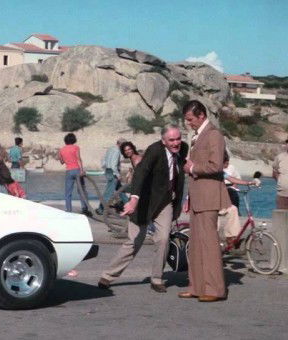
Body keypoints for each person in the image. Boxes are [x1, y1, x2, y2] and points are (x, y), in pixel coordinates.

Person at [98, 125, 187, 293]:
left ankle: (157, 278)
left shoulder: (184, 148)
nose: (176, 143)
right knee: (133, 242)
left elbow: (181, 172)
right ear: (163, 141)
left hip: (165, 202)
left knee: (163, 239)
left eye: (178, 139)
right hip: (144, 203)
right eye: (171, 140)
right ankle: (108, 276)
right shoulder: (154, 151)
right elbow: (140, 173)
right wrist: (134, 199)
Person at [180, 100, 229, 302]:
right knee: (197, 245)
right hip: (197, 197)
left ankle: (215, 289)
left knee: (208, 244)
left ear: (201, 115)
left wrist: (192, 168)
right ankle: (197, 286)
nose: (188, 123)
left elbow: (216, 166)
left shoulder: (214, 135)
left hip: (209, 197)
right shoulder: (198, 136)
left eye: (190, 119)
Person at [218, 152, 257, 245]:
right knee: (214, 225)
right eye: (224, 164)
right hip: (210, 202)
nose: (226, 166)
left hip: (219, 200)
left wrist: (249, 183)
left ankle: (231, 237)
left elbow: (232, 179)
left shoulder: (221, 172)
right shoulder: (211, 170)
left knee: (233, 209)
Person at [59, 133, 90, 216]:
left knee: (68, 192)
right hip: (77, 170)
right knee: (81, 190)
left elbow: (62, 162)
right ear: (74, 140)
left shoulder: (62, 149)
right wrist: (82, 170)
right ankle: (84, 208)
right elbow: (78, 159)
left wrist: (65, 158)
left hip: (69, 171)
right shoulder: (76, 147)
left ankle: (68, 210)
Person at [96, 138, 126, 215]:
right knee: (109, 192)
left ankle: (128, 205)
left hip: (108, 170)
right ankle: (101, 209)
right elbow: (113, 165)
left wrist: (105, 168)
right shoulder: (117, 151)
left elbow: (103, 160)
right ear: (120, 144)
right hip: (113, 172)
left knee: (121, 190)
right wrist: (118, 175)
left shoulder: (110, 149)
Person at [272, 139, 288, 209]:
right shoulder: (279, 157)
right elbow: (275, 172)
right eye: (287, 143)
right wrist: (280, 181)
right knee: (281, 216)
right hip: (282, 193)